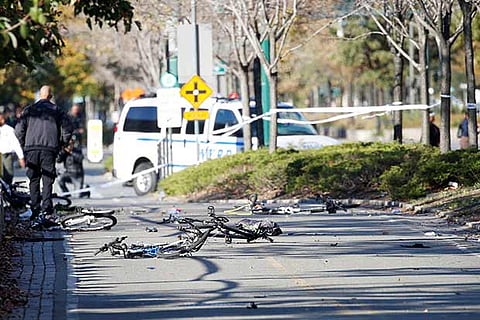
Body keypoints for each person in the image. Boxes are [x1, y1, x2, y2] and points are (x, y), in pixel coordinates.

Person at [15, 85, 72, 223]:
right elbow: (67, 128)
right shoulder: (57, 110)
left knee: (33, 179)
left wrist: (24, 144)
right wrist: (62, 144)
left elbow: (18, 130)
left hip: (31, 149)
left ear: (39, 95)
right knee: (47, 180)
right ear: (50, 96)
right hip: (49, 149)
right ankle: (46, 210)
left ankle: (35, 210)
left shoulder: (29, 110)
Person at [0, 105, 25, 184]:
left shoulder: (9, 129)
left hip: (7, 156)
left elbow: (16, 144)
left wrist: (21, 157)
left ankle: (7, 193)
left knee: (8, 177)